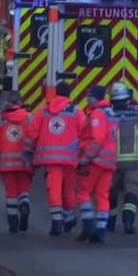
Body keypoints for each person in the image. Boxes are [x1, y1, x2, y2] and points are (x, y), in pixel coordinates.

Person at [24, 81, 85, 236]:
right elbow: (85, 132)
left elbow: (32, 133)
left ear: (56, 93)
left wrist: (28, 151)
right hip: (71, 159)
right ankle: (69, 218)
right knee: (69, 189)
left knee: (54, 188)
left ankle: (56, 221)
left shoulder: (44, 110)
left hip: (49, 159)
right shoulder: (76, 111)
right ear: (69, 94)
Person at [75, 86, 118, 243]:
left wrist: (86, 157)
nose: (87, 99)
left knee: (83, 192)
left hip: (95, 161)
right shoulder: (111, 113)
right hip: (109, 162)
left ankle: (88, 225)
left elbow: (97, 139)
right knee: (102, 195)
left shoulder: (97, 114)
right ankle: (100, 230)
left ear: (96, 97)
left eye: (89, 96)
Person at [0, 92, 35, 233]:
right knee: (24, 188)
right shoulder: (29, 118)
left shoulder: (0, 119)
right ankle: (25, 203)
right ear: (20, 102)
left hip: (6, 162)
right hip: (24, 161)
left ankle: (13, 224)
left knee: (11, 193)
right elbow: (33, 138)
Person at [106, 82, 138, 234]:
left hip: (111, 161)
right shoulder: (137, 115)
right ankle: (128, 223)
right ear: (127, 99)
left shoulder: (108, 115)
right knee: (132, 191)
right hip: (132, 162)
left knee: (110, 192)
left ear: (112, 100)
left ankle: (110, 223)